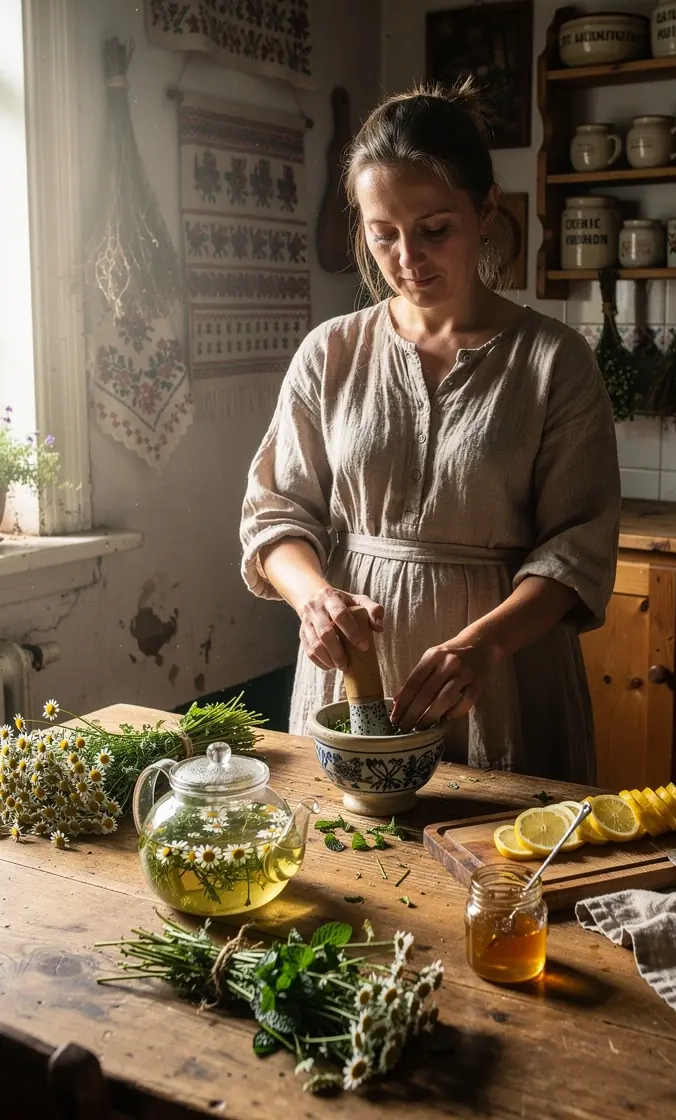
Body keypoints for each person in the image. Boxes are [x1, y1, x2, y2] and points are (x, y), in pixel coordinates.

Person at [240, 81, 620, 781]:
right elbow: (276, 513)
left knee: (505, 876)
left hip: (504, 680)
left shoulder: (553, 361)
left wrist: (481, 648)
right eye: (383, 233)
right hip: (352, 680)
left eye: (434, 228)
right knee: (355, 871)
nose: (407, 257)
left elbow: (577, 552)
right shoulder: (331, 353)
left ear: (484, 211)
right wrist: (315, 597)